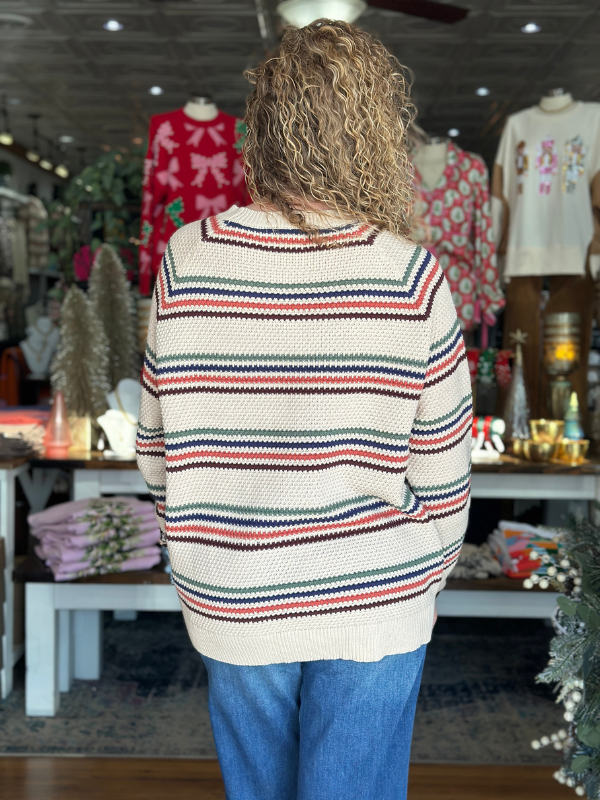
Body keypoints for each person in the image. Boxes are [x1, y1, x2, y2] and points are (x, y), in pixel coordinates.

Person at [137, 19, 472, 800]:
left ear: (264, 127)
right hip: (376, 595)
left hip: (234, 592)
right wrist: (416, 575)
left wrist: (208, 550)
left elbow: (157, 453)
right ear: (373, 132)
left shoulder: (190, 257)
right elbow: (448, 474)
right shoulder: (408, 275)